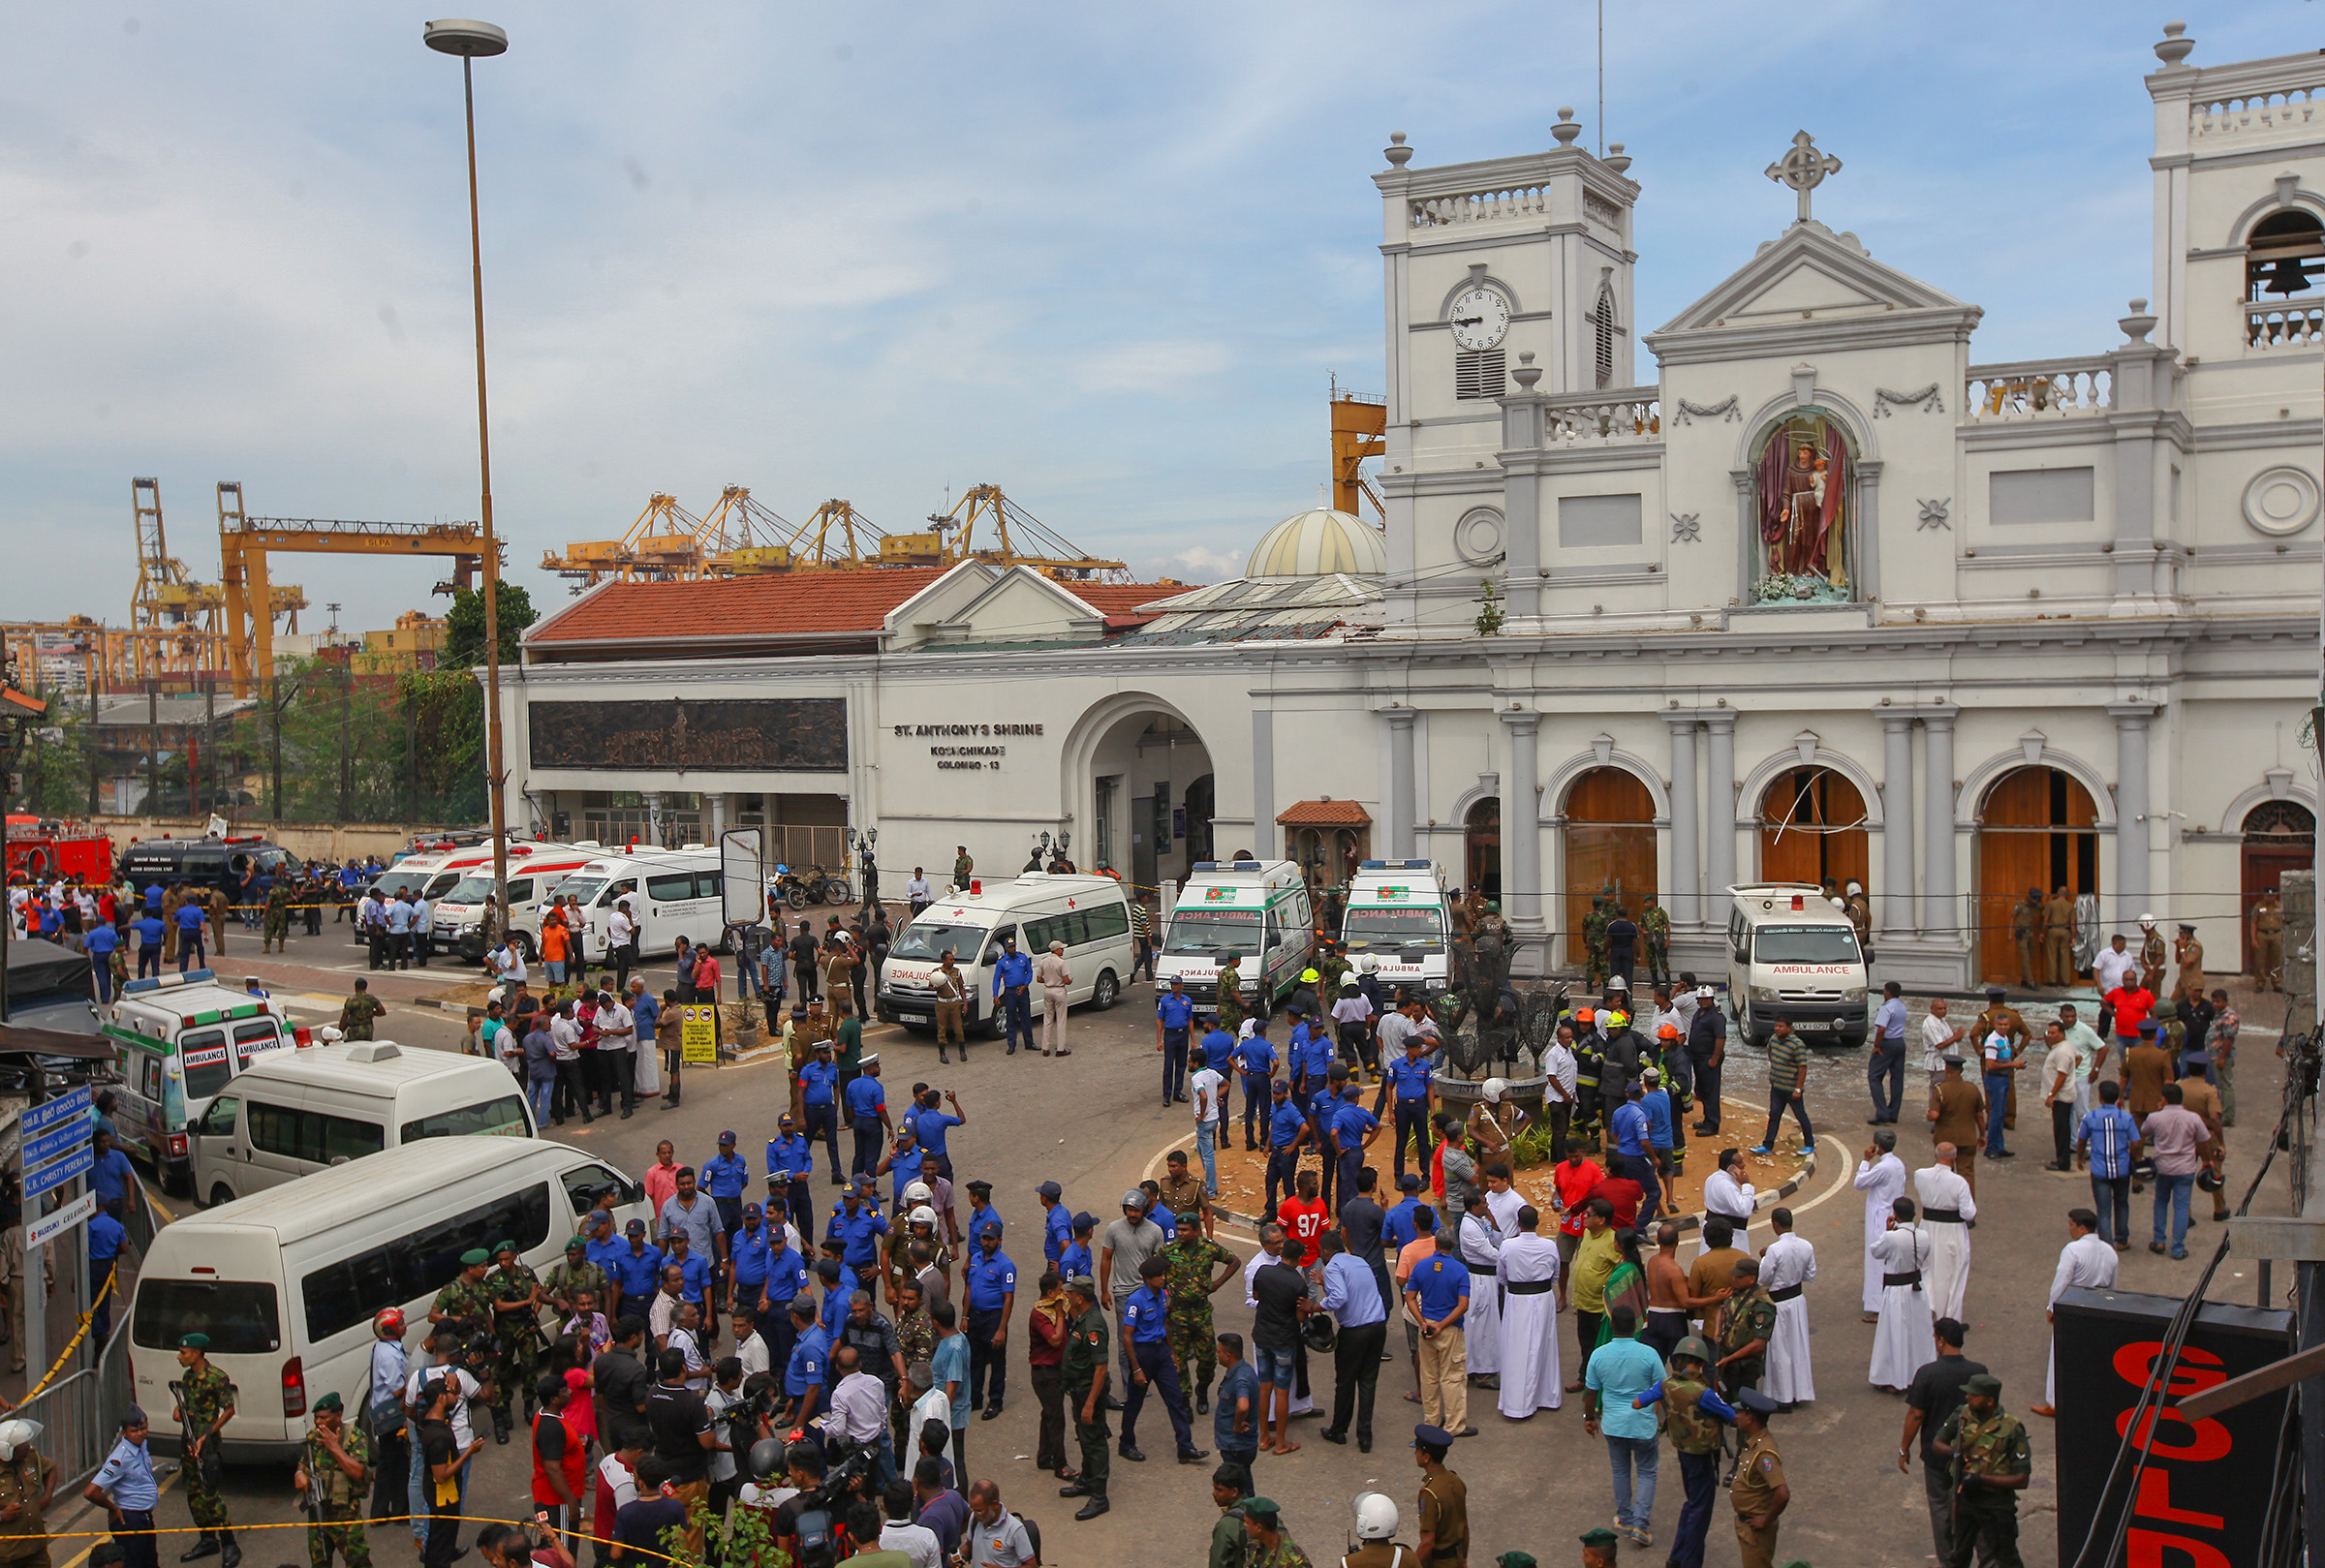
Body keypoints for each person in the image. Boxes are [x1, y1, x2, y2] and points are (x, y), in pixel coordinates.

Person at [1633, 1337, 1731, 1568]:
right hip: (1702, 1454)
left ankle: (1677, 1556)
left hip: (1682, 1449)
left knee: (1691, 1503)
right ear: (1701, 1363)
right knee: (1700, 1509)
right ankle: (1689, 1562)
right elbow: (1731, 1416)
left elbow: (1637, 1403)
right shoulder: (1704, 1393)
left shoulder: (1667, 1384)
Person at [1583, 1305, 1663, 1549]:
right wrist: (1657, 1413)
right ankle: (1641, 1524)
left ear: (1612, 1326)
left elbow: (1591, 1391)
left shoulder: (1598, 1354)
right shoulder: (1649, 1354)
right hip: (1643, 1424)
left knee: (1620, 1470)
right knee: (1647, 1471)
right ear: (1636, 1326)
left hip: (1613, 1424)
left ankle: (1625, 1518)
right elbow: (1662, 1386)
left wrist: (1589, 1417)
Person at [1933, 1373, 2030, 1568]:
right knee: (1956, 1556)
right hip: (1963, 1499)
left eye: (1974, 1395)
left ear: (1989, 1401)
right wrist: (1955, 1454)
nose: (1968, 1398)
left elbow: (2022, 1479)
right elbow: (1937, 1443)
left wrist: (1982, 1479)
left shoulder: (2011, 1429)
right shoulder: (1962, 1415)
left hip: (1995, 1505)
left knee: (2005, 1558)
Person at [2030, 1209, 2116, 1420]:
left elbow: (2062, 1280)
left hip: (2074, 1304)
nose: (2069, 1229)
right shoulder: (2109, 1251)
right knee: (2092, 1352)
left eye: (2071, 1225)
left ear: (2081, 1227)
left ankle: (2054, 1402)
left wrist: (2052, 1307)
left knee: (2059, 1352)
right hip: (2100, 1305)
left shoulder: (2073, 1250)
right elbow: (2113, 1285)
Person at [172, 1333, 239, 1566]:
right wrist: (179, 1413)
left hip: (207, 1442)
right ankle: (207, 1537)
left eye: (184, 1352)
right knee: (193, 1492)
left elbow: (228, 1410)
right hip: (189, 1440)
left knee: (210, 1493)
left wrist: (208, 1434)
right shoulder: (188, 1377)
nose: (179, 1357)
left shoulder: (217, 1378)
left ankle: (229, 1542)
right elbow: (188, 1407)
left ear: (197, 1353)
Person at [1405, 1226, 1472, 1438]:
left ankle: (1431, 1422)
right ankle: (1454, 1425)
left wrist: (1423, 1323)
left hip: (1427, 1327)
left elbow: (1410, 1297)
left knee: (1429, 1376)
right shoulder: (1460, 1270)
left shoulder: (1422, 1267)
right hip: (1449, 1328)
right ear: (1453, 1245)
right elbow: (1463, 1305)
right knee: (1452, 1377)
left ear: (1436, 1244)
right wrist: (1441, 1325)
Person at [1057, 1276, 1112, 1521]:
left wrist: (1090, 1403)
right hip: (1079, 1389)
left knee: (1095, 1441)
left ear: (1080, 1298)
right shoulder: (1081, 1317)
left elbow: (1101, 1367)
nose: (1066, 1295)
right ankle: (1087, 1480)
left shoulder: (1093, 1325)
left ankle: (1099, 1496)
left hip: (1089, 1391)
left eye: (1070, 1293)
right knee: (1085, 1437)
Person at [1869, 1197, 1936, 1393]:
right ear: (1914, 1214)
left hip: (1897, 1291)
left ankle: (1895, 1378)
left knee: (1895, 1334)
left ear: (1895, 1215)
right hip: (1916, 1289)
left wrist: (1888, 1231)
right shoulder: (1923, 1236)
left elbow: (1876, 1252)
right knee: (1918, 1333)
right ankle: (1918, 1375)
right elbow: (1924, 1257)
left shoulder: (1892, 1237)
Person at [85, 1408, 159, 1568]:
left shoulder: (142, 1445)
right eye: (134, 1431)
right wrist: (112, 1508)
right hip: (130, 1520)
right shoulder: (120, 1458)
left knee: (150, 1563)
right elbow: (91, 1492)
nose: (140, 1433)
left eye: (143, 1428)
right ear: (124, 1433)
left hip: (144, 1518)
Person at [1757, 1208, 1814, 1408]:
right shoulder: (1806, 1245)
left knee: (1780, 1349)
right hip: (1797, 1300)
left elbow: (1763, 1278)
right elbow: (1810, 1274)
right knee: (1798, 1345)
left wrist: (1764, 1257)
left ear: (1775, 1224)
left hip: (1779, 1304)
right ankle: (1800, 1392)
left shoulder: (1775, 1249)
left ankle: (1783, 1397)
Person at [2144, 1082, 2209, 1259]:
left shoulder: (2155, 1117)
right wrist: (2207, 1161)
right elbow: (2204, 1140)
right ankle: (2178, 1248)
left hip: (2164, 1167)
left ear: (2164, 1099)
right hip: (2185, 1168)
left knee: (2161, 1202)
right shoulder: (2193, 1118)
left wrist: (2158, 1110)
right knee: (2181, 1207)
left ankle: (2159, 1240)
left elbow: (2144, 1131)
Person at [1726, 1389, 1789, 1568]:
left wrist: (1765, 1519)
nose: (1736, 1416)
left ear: (1750, 1418)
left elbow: (1783, 1493)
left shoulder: (1764, 1454)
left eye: (1740, 1412)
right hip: (1746, 1526)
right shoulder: (1753, 1441)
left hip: (1756, 1530)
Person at [1914, 1144, 1976, 1322]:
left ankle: (1926, 1310)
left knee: (1927, 1271)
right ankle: (1950, 1321)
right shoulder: (1959, 1182)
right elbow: (1969, 1213)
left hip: (1927, 1228)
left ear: (1935, 1154)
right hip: (1952, 1232)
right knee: (1954, 1277)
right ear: (1954, 1158)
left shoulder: (1920, 1175)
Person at [1852, 1130, 1907, 1321]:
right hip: (1892, 1213)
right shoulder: (1898, 1164)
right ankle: (1886, 1302)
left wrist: (1865, 1160)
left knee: (1877, 1260)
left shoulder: (1882, 1168)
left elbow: (1859, 1183)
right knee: (1887, 1260)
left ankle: (1878, 1307)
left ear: (1878, 1146)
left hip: (1879, 1217)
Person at [1749, 1020, 1814, 1157]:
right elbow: (1770, 1053)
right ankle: (1767, 1146)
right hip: (1776, 1086)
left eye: (1781, 1026)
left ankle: (1809, 1144)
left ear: (1789, 1028)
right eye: (1776, 1026)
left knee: (1801, 1116)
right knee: (1774, 1115)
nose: (1778, 1029)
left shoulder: (1797, 1045)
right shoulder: (1773, 1039)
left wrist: (1798, 1088)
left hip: (1791, 1089)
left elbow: (1802, 1068)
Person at [0, 1418, 55, 1568]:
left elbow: (50, 1468)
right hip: (7, 1556)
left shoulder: (29, 1458)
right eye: (22, 1446)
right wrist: (1, 1516)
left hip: (36, 1550)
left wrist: (47, 1496)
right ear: (8, 1450)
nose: (27, 1448)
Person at [1410, 1427, 1467, 1568]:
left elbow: (1428, 1541)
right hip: (1457, 1558)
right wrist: (1464, 1559)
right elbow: (1464, 1526)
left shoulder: (1429, 1492)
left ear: (1426, 1457)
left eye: (1417, 1450)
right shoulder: (1455, 1480)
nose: (1415, 1453)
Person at [1212, 1335, 1259, 1497]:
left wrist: (1237, 1424)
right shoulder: (1244, 1370)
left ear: (1228, 1355)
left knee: (1239, 1490)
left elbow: (1243, 1405)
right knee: (1245, 1483)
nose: (1216, 1354)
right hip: (1239, 1446)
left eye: (1218, 1351)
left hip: (1236, 1446)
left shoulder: (1240, 1379)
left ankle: (1246, 1518)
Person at [1870, 981, 1908, 1123]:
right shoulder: (1901, 1007)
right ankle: (1893, 1113)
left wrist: (1876, 1045)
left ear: (1888, 993)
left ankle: (1882, 1113)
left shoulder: (1886, 1008)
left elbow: (1881, 1029)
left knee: (1874, 1076)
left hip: (1887, 1043)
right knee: (1897, 1079)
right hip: (1899, 1042)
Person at [992, 935, 1035, 1057]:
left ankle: (1029, 1042)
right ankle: (1011, 1044)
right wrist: (995, 995)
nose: (1013, 949)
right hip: (1010, 992)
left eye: (1014, 946)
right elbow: (996, 979)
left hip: (1023, 991)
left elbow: (1029, 972)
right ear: (1006, 948)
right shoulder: (1002, 961)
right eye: (1010, 947)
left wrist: (1025, 985)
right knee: (1011, 1018)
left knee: (1026, 1016)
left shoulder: (1022, 957)